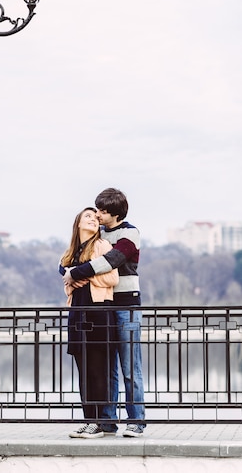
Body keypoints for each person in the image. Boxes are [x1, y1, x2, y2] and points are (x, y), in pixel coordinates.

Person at [62, 188, 146, 437]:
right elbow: (71, 257)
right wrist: (68, 274)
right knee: (108, 367)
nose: (96, 215)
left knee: (130, 366)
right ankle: (106, 421)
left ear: (112, 213)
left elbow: (110, 261)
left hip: (127, 306)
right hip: (105, 307)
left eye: (100, 211)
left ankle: (136, 421)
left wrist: (76, 274)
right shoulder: (99, 234)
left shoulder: (130, 233)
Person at [59, 207, 119, 439]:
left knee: (97, 369)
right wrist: (72, 279)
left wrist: (81, 274)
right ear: (78, 223)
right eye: (88, 217)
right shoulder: (69, 252)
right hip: (77, 315)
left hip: (98, 313)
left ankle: (99, 423)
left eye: (96, 218)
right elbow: (66, 281)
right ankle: (88, 420)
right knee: (83, 369)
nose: (93, 220)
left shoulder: (101, 246)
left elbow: (112, 277)